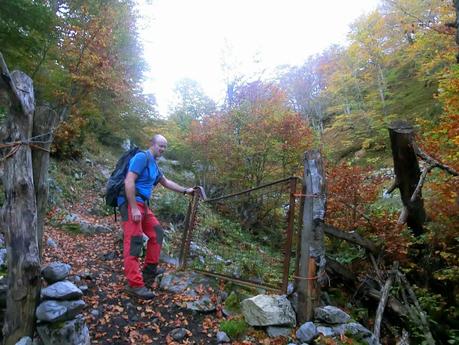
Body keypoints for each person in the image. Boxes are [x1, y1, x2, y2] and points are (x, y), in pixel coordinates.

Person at [118, 134, 194, 299]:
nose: (163, 149)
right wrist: (133, 207)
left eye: (165, 146)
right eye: (160, 145)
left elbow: (166, 182)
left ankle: (150, 269)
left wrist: (185, 190)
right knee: (134, 241)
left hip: (143, 205)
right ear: (152, 144)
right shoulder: (141, 158)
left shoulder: (154, 164)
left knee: (157, 233)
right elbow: (128, 181)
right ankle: (134, 285)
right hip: (132, 203)